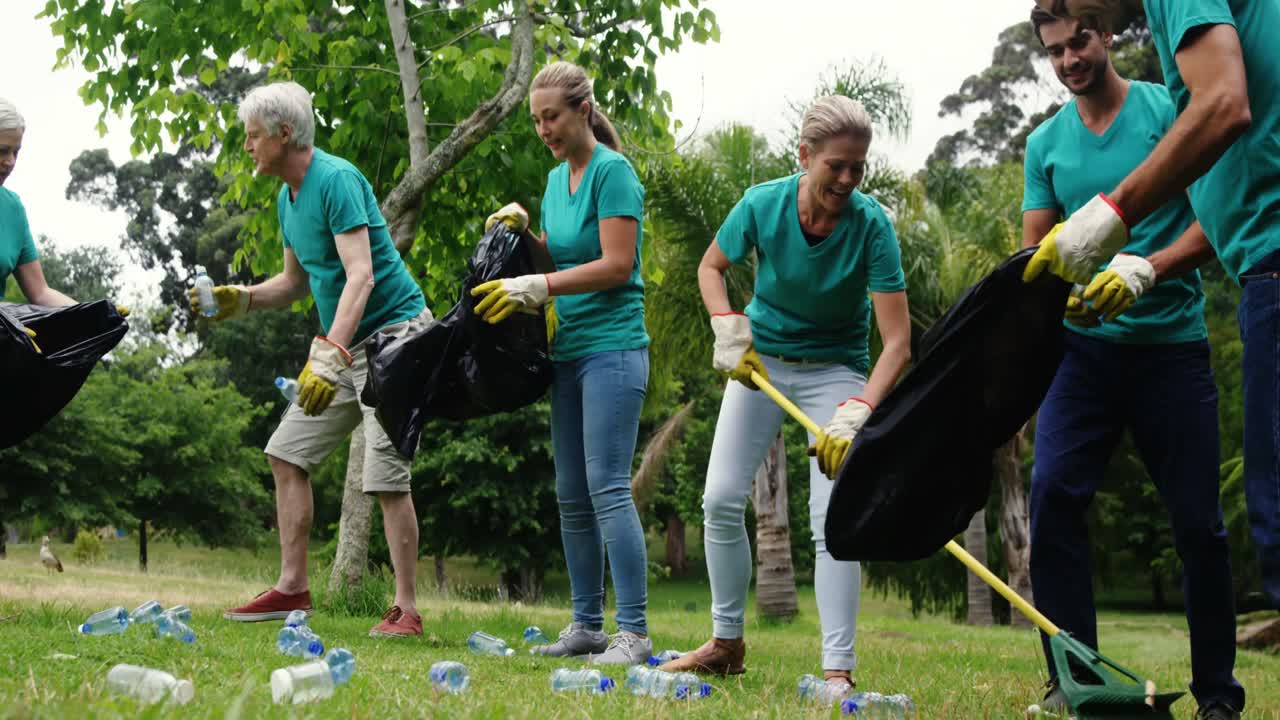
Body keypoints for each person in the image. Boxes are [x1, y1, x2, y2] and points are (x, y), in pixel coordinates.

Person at [1024, 0, 1280, 629]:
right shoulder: (1046, 144)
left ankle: (1217, 691)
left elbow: (1223, 108)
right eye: (1055, 48)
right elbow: (1033, 259)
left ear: (1106, 32)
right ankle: (1074, 677)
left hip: (1176, 341)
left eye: (1080, 36)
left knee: (1217, 520)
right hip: (1087, 353)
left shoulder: (1168, 101)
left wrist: (1138, 252)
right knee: (1053, 497)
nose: (1069, 59)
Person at [658, 96, 911, 698]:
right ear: (804, 156)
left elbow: (898, 341)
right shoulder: (763, 205)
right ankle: (725, 645)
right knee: (719, 498)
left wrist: (860, 411)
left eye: (858, 167)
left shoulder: (871, 225)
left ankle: (837, 671)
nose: (847, 179)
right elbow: (711, 267)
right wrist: (727, 325)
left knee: (833, 520)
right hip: (762, 363)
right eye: (836, 166)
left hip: (837, 373)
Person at [194, 81, 432, 638]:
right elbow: (298, 282)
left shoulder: (337, 180)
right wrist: (245, 298)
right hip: (344, 345)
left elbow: (362, 275)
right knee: (286, 453)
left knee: (385, 474)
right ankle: (292, 588)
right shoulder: (288, 197)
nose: (247, 146)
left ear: (283, 133)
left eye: (253, 136)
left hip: (396, 338)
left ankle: (407, 609)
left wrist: (330, 354)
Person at [476, 61, 652, 664]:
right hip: (570, 350)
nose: (543, 128)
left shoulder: (614, 173)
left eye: (551, 116)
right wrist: (522, 234)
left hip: (615, 348)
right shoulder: (558, 181)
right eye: (535, 120)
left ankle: (633, 631)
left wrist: (541, 285)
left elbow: (615, 265)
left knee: (607, 488)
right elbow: (559, 254)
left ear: (583, 109)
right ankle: (585, 626)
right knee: (570, 494)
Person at [1, 97, 127, 347]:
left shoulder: (12, 209)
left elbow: (40, 292)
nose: (11, 161)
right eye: (2, 150)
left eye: (16, 152)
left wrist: (93, 315)